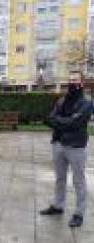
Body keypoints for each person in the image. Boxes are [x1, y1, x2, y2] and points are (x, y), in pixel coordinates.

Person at [40, 70, 93, 228]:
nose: (72, 83)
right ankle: (58, 206)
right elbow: (49, 119)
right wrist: (64, 121)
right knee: (60, 178)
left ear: (81, 83)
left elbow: (75, 123)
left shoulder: (87, 102)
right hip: (58, 144)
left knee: (78, 181)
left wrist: (59, 121)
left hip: (76, 146)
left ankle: (79, 213)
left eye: (75, 80)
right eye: (70, 80)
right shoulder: (62, 100)